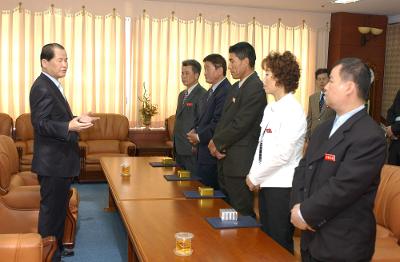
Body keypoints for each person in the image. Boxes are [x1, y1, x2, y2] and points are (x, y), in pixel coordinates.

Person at [290, 57, 386, 262]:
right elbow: (303, 168)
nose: (325, 86)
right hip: (311, 237)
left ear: (349, 87)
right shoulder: (323, 129)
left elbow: (343, 187)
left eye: (331, 80)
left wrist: (306, 212)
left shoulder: (370, 135)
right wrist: (297, 207)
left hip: (342, 243)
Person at [30, 43, 98, 262]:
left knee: (58, 212)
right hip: (53, 164)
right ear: (45, 62)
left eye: (66, 60)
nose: (65, 64)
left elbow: (56, 119)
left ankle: (56, 249)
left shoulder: (53, 84)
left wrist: (76, 119)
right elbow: (40, 123)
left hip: (60, 162)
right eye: (60, 60)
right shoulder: (42, 86)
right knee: (51, 215)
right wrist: (69, 126)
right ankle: (47, 256)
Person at [246, 51, 306, 253]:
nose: (264, 78)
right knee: (267, 241)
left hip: (283, 186)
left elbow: (282, 154)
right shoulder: (271, 108)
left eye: (268, 74)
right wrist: (253, 175)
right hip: (266, 183)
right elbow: (261, 146)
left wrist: (256, 176)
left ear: (280, 78)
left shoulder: (293, 111)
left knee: (279, 242)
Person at [208, 42, 266, 216]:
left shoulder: (255, 88)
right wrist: (216, 143)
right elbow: (224, 121)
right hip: (226, 158)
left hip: (241, 162)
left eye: (232, 61)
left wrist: (217, 143)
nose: (230, 66)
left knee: (242, 212)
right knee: (228, 212)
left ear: (246, 61)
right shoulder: (236, 87)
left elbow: (241, 124)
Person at [187, 54, 231, 189]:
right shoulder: (211, 91)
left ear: (219, 70)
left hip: (212, 154)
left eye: (207, 69)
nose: (204, 73)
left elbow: (218, 122)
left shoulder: (225, 90)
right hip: (202, 152)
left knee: (210, 196)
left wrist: (199, 136)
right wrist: (195, 130)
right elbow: (201, 118)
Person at [174, 59, 206, 175]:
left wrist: (195, 144)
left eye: (187, 73)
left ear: (196, 75)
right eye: (182, 73)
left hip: (191, 148)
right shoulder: (182, 95)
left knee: (191, 185)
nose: (183, 76)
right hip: (179, 147)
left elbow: (202, 122)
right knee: (178, 185)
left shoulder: (202, 94)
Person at [306, 68, 335, 141]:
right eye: (319, 79)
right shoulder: (312, 97)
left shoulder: (335, 97)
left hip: (328, 137)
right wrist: (307, 137)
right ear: (316, 81)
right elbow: (309, 118)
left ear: (329, 79)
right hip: (313, 137)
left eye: (324, 78)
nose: (321, 81)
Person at [386, 89, 400, 165]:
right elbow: (391, 111)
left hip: (396, 132)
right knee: (392, 174)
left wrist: (394, 128)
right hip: (395, 142)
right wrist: (390, 127)